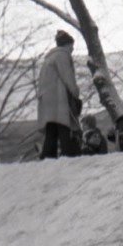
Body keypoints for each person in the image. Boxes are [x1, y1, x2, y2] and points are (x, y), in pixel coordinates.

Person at [37, 30, 82, 159]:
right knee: (64, 126)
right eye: (71, 46)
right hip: (59, 98)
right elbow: (67, 76)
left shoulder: (48, 58)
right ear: (67, 45)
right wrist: (75, 93)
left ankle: (47, 155)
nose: (72, 49)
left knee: (52, 128)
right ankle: (69, 153)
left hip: (47, 99)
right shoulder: (62, 55)